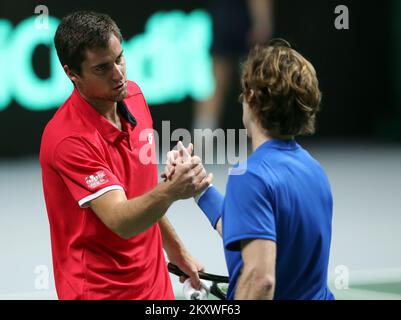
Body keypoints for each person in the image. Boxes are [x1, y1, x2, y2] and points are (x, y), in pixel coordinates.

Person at [40, 11, 212, 300]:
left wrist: (175, 248)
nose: (119, 74)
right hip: (99, 292)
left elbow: (140, 194)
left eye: (120, 58)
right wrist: (172, 190)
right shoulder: (68, 139)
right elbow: (122, 220)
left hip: (155, 285)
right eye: (102, 68)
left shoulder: (133, 97)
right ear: (72, 73)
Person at [164, 39, 335, 300]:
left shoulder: (252, 176)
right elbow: (254, 228)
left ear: (251, 98)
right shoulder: (314, 170)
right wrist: (201, 189)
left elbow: (261, 280)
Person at [193, 0, 273, 132]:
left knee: (216, 81)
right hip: (243, 20)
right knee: (256, 81)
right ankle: (266, 133)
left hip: (222, 15)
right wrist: (262, 22)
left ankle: (203, 134)